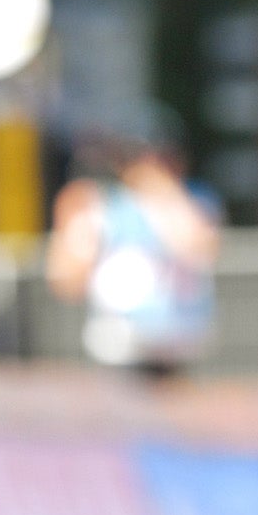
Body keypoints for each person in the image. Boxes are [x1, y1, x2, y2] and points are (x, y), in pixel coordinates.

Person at [45, 124, 220, 378]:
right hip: (119, 340)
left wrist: (161, 192)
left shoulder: (195, 198)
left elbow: (199, 245)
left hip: (178, 340)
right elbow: (65, 279)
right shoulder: (102, 204)